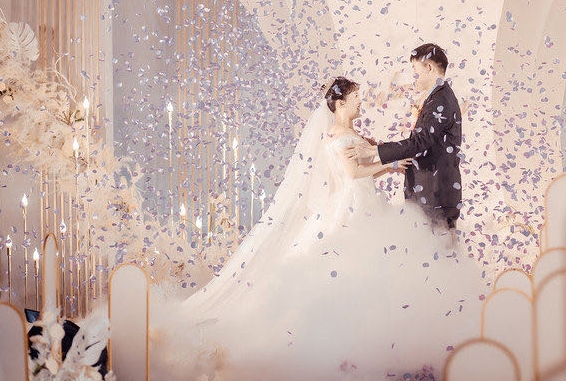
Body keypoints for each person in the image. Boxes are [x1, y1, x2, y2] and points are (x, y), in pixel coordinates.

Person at [152, 77, 485, 381]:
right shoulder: (339, 134)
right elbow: (352, 173)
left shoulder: (351, 133)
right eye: (356, 98)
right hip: (354, 205)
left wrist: (388, 167)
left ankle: (370, 333)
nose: (360, 102)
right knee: (351, 264)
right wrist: (389, 163)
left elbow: (363, 167)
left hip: (366, 199)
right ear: (340, 104)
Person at [350, 43, 463, 230]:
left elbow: (419, 142)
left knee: (436, 245)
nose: (414, 76)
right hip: (432, 190)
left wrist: (374, 151)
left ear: (429, 67)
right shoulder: (438, 97)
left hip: (434, 192)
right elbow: (425, 142)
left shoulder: (440, 100)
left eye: (415, 70)